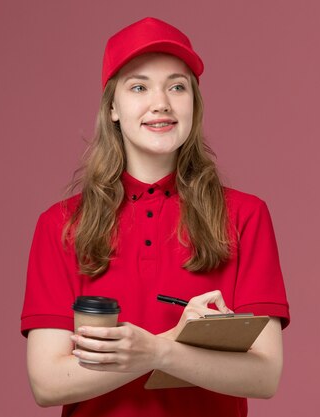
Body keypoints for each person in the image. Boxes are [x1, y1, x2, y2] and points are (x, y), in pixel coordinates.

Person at [20, 17, 290, 417]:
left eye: (177, 86)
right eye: (139, 86)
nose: (161, 102)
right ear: (112, 107)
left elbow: (264, 375)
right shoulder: (59, 225)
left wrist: (158, 349)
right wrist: (172, 346)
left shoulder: (246, 216)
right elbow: (47, 382)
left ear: (194, 104)